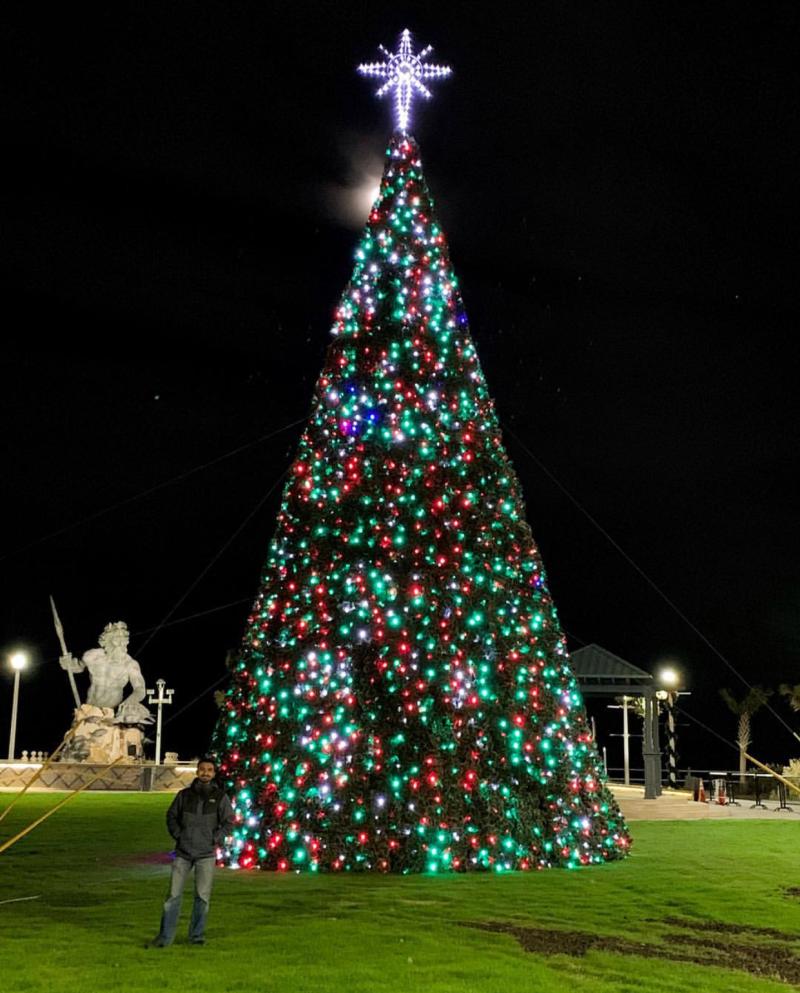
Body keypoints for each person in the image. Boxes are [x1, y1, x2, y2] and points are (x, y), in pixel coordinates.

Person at [151, 757, 234, 947]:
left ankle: (196, 937)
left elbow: (229, 821)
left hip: (206, 854)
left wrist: (215, 838)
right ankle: (165, 937)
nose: (205, 773)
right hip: (183, 853)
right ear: (197, 771)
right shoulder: (184, 795)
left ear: (214, 773)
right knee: (172, 897)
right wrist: (179, 835)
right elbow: (171, 816)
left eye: (209, 770)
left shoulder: (220, 797)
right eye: (202, 769)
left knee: (202, 898)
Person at [59, 620, 151, 724]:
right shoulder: (92, 656)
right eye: (117, 639)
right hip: (88, 710)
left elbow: (140, 689)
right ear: (107, 639)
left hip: (111, 715)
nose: (121, 644)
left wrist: (129, 702)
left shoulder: (130, 665)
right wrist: (68, 664)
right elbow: (78, 667)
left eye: (124, 640)